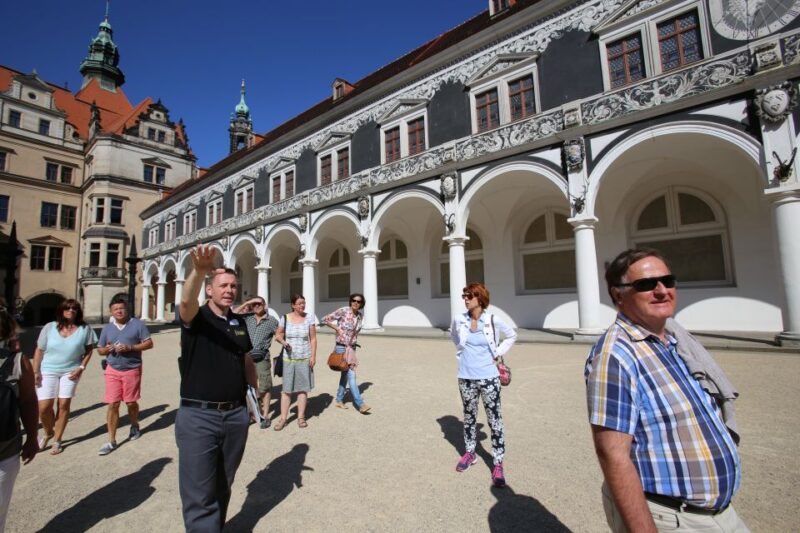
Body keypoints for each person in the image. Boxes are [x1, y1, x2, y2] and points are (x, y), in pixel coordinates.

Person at [585, 248, 747, 532]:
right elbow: (613, 455)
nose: (661, 290)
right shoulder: (616, 355)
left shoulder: (677, 341)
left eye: (667, 281)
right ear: (618, 295)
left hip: (717, 513)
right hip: (672, 518)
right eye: (646, 285)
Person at [175, 244, 257, 532]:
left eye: (234, 286)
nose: (229, 290)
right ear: (209, 290)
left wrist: (254, 398)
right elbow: (185, 304)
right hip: (200, 417)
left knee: (224, 485)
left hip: (235, 416)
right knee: (200, 495)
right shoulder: (196, 318)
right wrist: (198, 272)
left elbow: (245, 358)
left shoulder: (238, 322)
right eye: (223, 285)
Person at [450, 282, 517, 487]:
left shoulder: (492, 320)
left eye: (470, 295)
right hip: (466, 376)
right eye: (464, 295)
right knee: (469, 417)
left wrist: (497, 352)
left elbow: (512, 335)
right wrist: (463, 354)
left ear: (480, 298)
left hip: (489, 377)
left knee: (494, 419)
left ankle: (497, 462)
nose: (466, 299)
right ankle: (470, 453)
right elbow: (454, 335)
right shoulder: (459, 319)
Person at [32, 299, 97, 455]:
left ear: (78, 311)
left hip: (71, 371)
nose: (71, 310)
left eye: (74, 308)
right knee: (44, 407)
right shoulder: (49, 327)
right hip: (48, 369)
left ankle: (57, 440)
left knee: (63, 405)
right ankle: (48, 432)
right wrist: (36, 371)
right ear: (61, 310)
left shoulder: (84, 328)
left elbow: (89, 350)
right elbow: (39, 350)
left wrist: (81, 367)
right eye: (67, 308)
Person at [96, 296, 154, 455]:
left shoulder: (137, 324)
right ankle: (111, 440)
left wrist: (130, 347)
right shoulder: (107, 328)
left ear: (127, 309)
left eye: (122, 308)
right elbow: (99, 350)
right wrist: (107, 349)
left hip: (132, 369)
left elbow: (149, 343)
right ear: (111, 311)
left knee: (130, 402)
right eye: (116, 309)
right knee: (113, 404)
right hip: (112, 369)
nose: (119, 311)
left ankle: (134, 425)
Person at [0, 298, 38, 532]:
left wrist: (33, 437)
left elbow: (28, 401)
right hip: (6, 447)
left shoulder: (18, 361)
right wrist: (32, 437)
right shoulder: (17, 361)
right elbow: (28, 401)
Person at [233, 296, 279, 428]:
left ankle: (265, 415)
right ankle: (251, 413)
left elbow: (280, 335)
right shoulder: (248, 317)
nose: (257, 306)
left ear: (265, 305)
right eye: (255, 305)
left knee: (265, 386)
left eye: (260, 304)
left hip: (262, 358)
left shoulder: (272, 321)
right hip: (246, 357)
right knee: (246, 387)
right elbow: (233, 314)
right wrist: (247, 303)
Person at [321, 292, 370, 413]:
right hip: (341, 347)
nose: (356, 303)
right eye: (354, 300)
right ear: (350, 301)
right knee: (351, 375)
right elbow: (324, 319)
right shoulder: (343, 311)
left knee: (345, 374)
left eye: (359, 301)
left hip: (352, 348)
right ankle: (360, 403)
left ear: (361, 304)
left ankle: (339, 399)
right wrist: (337, 329)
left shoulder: (360, 316)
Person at [273, 294, 316, 430]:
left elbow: (313, 339)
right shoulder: (284, 318)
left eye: (303, 303)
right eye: (299, 303)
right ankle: (283, 418)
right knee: (286, 389)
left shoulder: (309, 318)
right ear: (293, 305)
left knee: (302, 389)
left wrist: (313, 356)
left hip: (304, 357)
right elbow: (278, 334)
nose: (302, 305)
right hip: (288, 358)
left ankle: (301, 417)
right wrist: (284, 342)